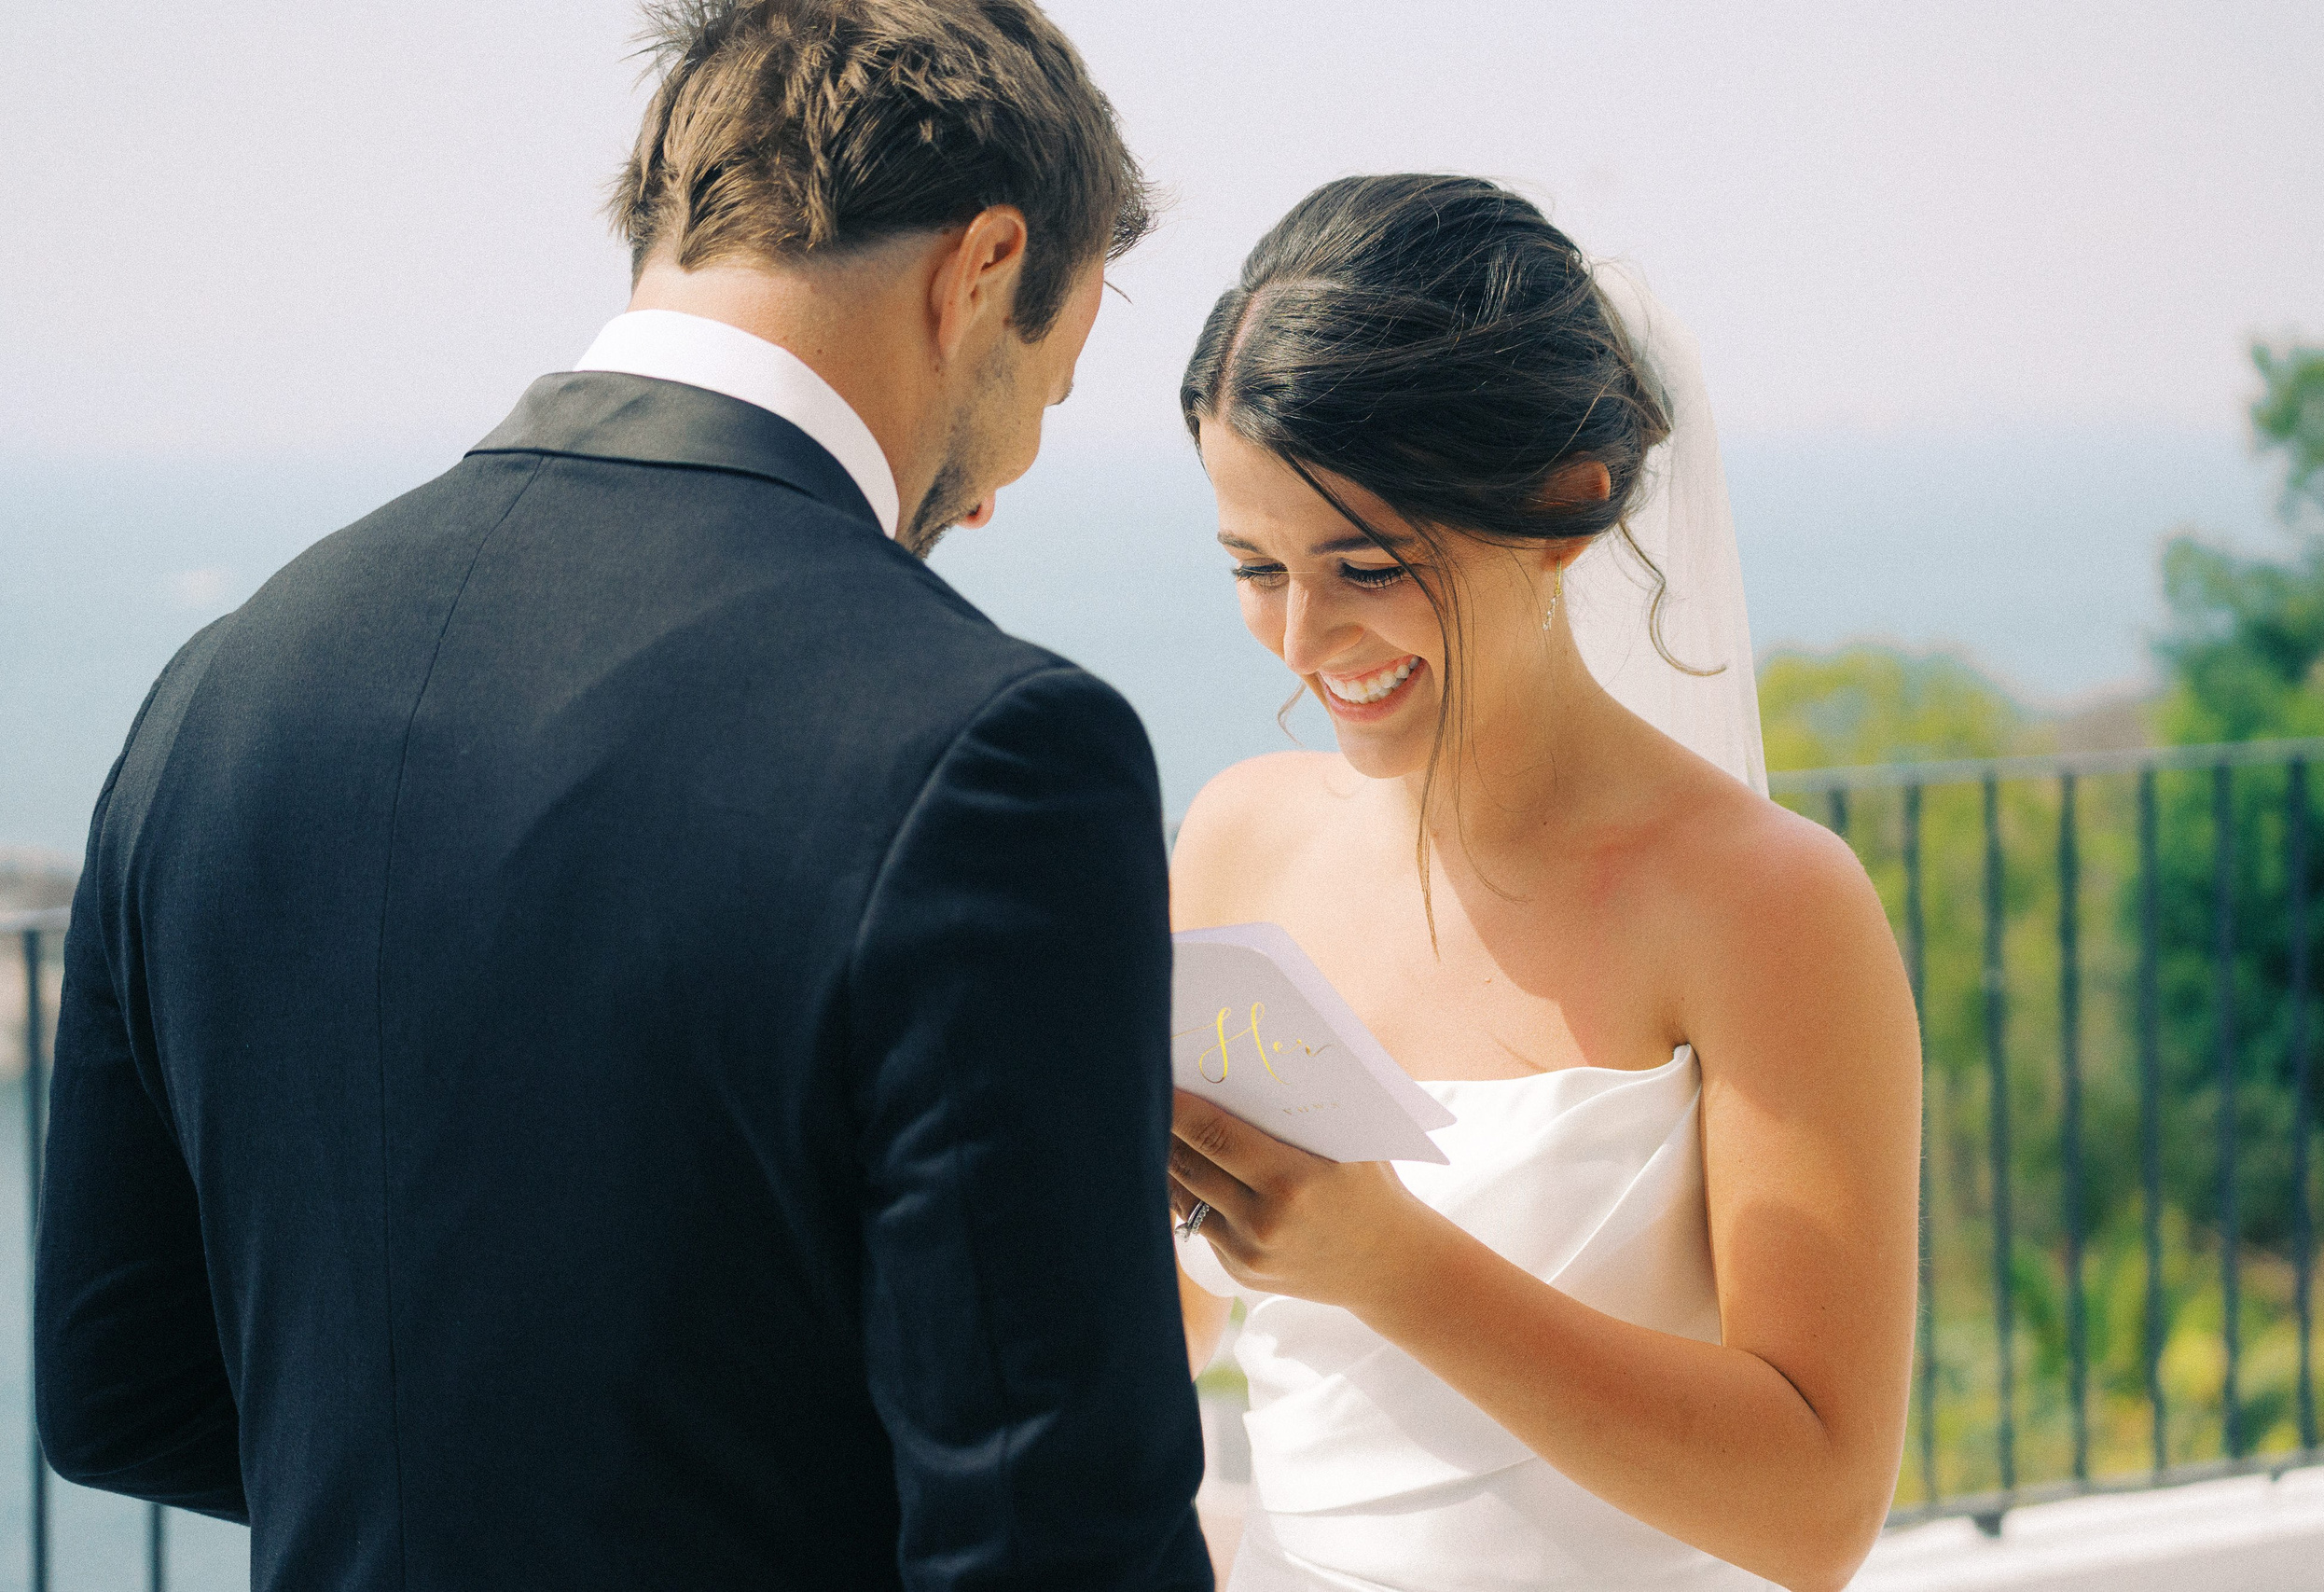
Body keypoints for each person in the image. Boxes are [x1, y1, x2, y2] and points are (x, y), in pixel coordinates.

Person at [34, 3, 1211, 1587]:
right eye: (1044, 394)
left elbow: (119, 1396)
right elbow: (1056, 1534)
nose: (999, 488)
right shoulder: (991, 750)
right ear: (985, 269)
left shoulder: (221, 687)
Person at [1166, 175, 1922, 1592]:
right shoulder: (1237, 841)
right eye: (1256, 568)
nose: (1302, 640)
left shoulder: (1768, 907)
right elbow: (1169, 1324)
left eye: (1366, 565)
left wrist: (1391, 1265)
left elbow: (1819, 1511)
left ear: (1565, 503)